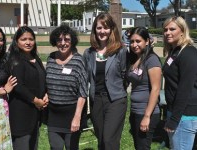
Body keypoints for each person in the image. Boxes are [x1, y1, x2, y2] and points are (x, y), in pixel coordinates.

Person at [83, 12, 128, 150]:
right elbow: (85, 78)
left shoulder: (120, 50)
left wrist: (118, 89)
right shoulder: (88, 53)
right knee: (101, 139)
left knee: (109, 140)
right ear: (94, 30)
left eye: (106, 27)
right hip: (96, 100)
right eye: (99, 28)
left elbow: (125, 74)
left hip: (115, 100)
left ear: (111, 29)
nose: (102, 31)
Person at [46, 24, 88, 150]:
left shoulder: (78, 61)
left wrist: (77, 117)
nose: (63, 43)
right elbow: (47, 82)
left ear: (72, 41)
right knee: (55, 147)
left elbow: (83, 91)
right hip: (53, 114)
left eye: (67, 40)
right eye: (59, 40)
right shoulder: (51, 59)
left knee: (71, 147)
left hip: (72, 114)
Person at [7, 26, 48, 150]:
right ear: (17, 41)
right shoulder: (16, 60)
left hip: (35, 113)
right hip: (21, 114)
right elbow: (18, 86)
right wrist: (36, 100)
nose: (28, 42)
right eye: (23, 39)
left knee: (33, 146)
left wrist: (46, 94)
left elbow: (42, 79)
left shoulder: (36, 58)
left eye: (31, 39)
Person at [162, 16, 197, 150]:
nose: (167, 33)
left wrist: (174, 120)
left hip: (185, 116)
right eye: (165, 29)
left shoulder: (188, 53)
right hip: (177, 112)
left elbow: (185, 89)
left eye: (172, 29)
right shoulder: (175, 51)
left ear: (182, 31)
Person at [127, 26, 162, 150]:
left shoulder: (152, 60)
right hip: (135, 111)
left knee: (143, 147)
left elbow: (156, 89)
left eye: (138, 41)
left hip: (147, 112)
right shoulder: (135, 59)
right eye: (132, 41)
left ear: (147, 41)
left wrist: (147, 116)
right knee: (139, 146)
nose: (134, 45)